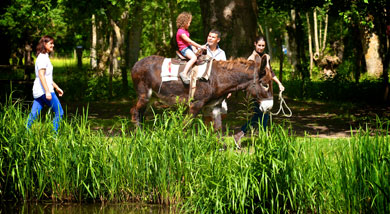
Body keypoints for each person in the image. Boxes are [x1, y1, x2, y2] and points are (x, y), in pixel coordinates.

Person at [234, 36, 285, 147]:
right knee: (260, 115)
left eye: (263, 45)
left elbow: (270, 72)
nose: (261, 47)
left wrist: (279, 83)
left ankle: (245, 135)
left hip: (265, 91)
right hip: (256, 92)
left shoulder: (266, 57)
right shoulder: (251, 59)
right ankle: (251, 136)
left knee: (261, 115)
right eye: (259, 45)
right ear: (255, 44)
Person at [26, 35, 64, 133]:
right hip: (44, 91)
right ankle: (53, 136)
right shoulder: (42, 58)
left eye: (53, 43)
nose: (53, 45)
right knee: (59, 113)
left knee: (33, 115)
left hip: (39, 91)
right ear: (44, 44)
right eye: (50, 43)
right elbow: (41, 75)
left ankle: (25, 133)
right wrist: (47, 91)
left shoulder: (44, 57)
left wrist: (57, 87)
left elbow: (47, 78)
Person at [176, 12, 206, 84]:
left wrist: (196, 47)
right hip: (184, 49)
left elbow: (189, 43)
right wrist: (200, 46)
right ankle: (184, 73)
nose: (190, 24)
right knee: (194, 58)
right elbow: (190, 41)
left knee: (199, 53)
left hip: (188, 46)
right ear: (185, 22)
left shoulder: (185, 30)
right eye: (189, 22)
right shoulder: (181, 32)